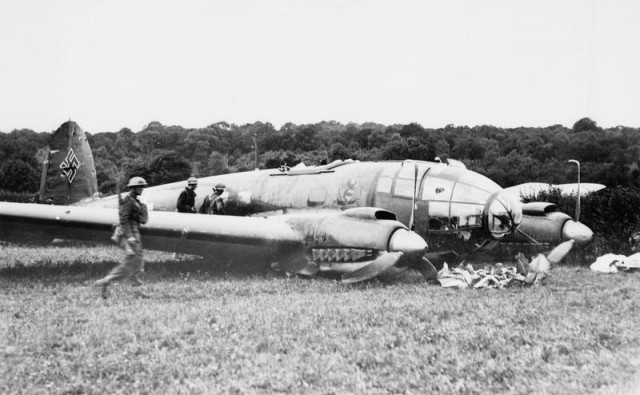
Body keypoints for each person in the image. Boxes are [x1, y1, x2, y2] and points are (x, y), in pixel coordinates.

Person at [94, 176, 150, 299]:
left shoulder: (136, 202)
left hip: (135, 234)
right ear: (133, 188)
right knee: (132, 262)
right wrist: (129, 237)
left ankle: (136, 290)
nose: (142, 189)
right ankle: (107, 281)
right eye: (140, 187)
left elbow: (144, 220)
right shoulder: (128, 202)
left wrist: (144, 204)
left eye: (142, 186)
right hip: (129, 235)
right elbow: (123, 220)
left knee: (138, 262)